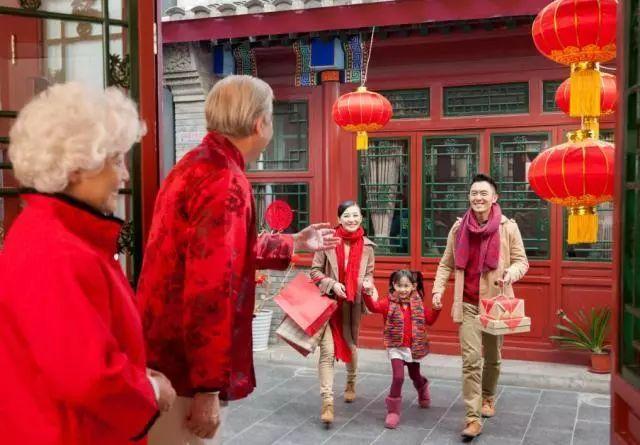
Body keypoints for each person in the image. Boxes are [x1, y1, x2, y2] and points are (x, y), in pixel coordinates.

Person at [137, 74, 340, 445]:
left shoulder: (193, 164)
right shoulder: (224, 179)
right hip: (185, 367)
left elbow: (220, 253)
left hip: (162, 350)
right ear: (260, 123)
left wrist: (293, 241)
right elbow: (210, 288)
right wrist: (208, 387)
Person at [0, 82, 176, 445]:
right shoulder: (58, 249)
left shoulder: (48, 233)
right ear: (77, 167)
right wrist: (151, 391)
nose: (124, 174)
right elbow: (87, 375)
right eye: (116, 160)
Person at [431, 173, 529, 439]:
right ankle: (473, 417)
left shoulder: (507, 228)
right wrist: (438, 289)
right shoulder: (458, 228)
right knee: (471, 361)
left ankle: (488, 396)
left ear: (494, 197)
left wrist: (510, 273)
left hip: (495, 304)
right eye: (474, 193)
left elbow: (522, 261)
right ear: (469, 197)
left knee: (493, 358)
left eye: (483, 193)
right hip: (468, 304)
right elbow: (446, 263)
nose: (478, 198)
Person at [309, 200, 375, 426]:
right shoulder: (326, 242)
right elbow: (314, 272)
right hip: (328, 305)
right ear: (339, 219)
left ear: (361, 218)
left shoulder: (368, 247)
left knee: (351, 346)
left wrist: (367, 283)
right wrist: (332, 284)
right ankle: (327, 401)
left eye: (355, 215)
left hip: (351, 305)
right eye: (347, 215)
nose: (351, 219)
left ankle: (351, 381)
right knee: (327, 352)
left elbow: (370, 274)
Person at [362, 270, 441, 429]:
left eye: (406, 286)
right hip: (396, 347)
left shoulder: (418, 304)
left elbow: (430, 320)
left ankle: (422, 386)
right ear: (393, 285)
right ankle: (393, 411)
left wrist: (436, 308)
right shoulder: (388, 302)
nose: (403, 289)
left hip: (413, 347)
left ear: (414, 286)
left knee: (414, 375)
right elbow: (374, 307)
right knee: (398, 377)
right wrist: (367, 293)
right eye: (399, 286)